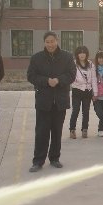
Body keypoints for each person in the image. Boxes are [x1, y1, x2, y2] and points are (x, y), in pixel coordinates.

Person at [27, 31, 76, 172]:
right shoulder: (37, 58)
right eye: (47, 42)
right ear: (44, 43)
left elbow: (72, 75)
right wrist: (46, 81)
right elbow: (31, 76)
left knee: (57, 131)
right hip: (43, 101)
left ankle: (54, 158)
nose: (50, 44)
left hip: (60, 101)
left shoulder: (67, 57)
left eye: (52, 41)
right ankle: (38, 161)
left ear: (57, 41)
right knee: (41, 132)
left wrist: (59, 80)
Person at [69, 46, 97, 139]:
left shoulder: (91, 64)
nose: (82, 54)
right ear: (77, 54)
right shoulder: (73, 64)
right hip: (77, 90)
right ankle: (72, 130)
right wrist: (76, 82)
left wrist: (95, 93)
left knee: (86, 112)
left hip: (87, 91)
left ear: (86, 54)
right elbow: (70, 77)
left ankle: (84, 130)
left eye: (83, 52)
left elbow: (93, 78)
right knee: (75, 111)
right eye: (80, 53)